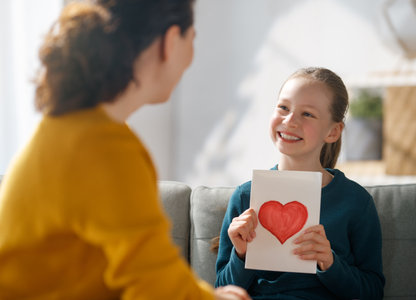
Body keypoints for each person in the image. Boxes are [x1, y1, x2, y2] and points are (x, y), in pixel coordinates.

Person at [0, 1, 250, 299]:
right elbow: (155, 287)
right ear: (170, 42)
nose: (192, 57)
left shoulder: (79, 129)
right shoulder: (103, 147)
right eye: (192, 39)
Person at [215, 67, 385, 299]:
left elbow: (372, 291)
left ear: (333, 131)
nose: (290, 120)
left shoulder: (355, 202)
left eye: (307, 114)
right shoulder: (245, 196)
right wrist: (242, 254)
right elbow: (221, 290)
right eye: (283, 107)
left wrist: (330, 263)